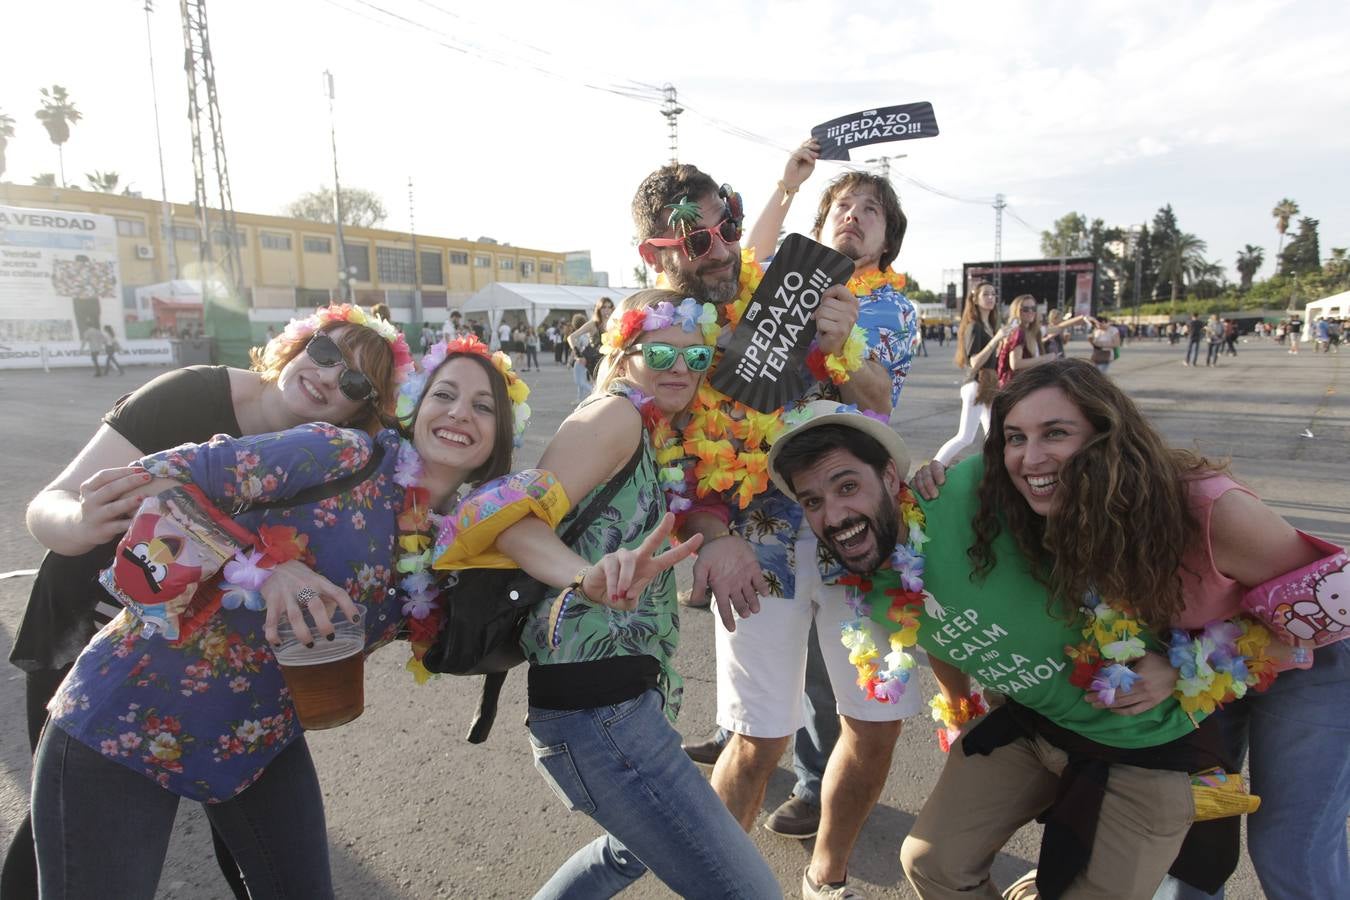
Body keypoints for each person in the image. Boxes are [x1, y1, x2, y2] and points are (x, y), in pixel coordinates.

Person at [4, 304, 409, 900]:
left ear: (362, 411)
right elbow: (52, 504)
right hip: (98, 611)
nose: (327, 376)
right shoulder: (190, 396)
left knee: (239, 802)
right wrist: (83, 522)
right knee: (73, 814)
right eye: (324, 353)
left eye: (352, 381)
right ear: (296, 345)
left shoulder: (327, 454)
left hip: (207, 646)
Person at [897, 360, 1333, 899]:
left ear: (1106, 433)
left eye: (1055, 432)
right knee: (1188, 841)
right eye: (1015, 437)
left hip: (1308, 659)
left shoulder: (1207, 509)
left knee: (1291, 848)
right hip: (1185, 673)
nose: (1031, 457)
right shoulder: (1046, 511)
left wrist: (1184, 666)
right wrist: (928, 479)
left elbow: (1331, 606)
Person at [643, 146, 921, 897]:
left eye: (871, 211)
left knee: (876, 721)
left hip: (858, 531)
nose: (723, 241)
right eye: (843, 207)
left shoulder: (886, 305)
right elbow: (673, 453)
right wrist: (713, 531)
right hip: (758, 537)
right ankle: (720, 887)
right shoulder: (699, 314)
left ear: (889, 237)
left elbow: (879, 400)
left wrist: (842, 345)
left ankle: (825, 880)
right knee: (757, 735)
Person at [489, 289, 779, 899]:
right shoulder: (615, 417)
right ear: (623, 357)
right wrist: (582, 574)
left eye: (696, 359)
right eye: (660, 354)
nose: (681, 369)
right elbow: (512, 521)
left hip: (620, 700)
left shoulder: (653, 429)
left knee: (625, 855)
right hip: (599, 710)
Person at [934, 282, 1010, 465]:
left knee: (993, 434)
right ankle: (934, 467)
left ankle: (995, 472)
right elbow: (974, 362)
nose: (991, 298)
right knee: (965, 436)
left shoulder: (989, 325)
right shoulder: (975, 326)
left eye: (993, 294)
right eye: (986, 294)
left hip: (988, 384)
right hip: (975, 384)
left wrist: (1000, 342)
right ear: (975, 299)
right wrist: (997, 339)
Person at [997, 295, 1051, 385]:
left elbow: (1058, 328)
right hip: (1015, 386)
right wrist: (1045, 359)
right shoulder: (1017, 332)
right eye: (1025, 309)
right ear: (1017, 311)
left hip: (1025, 384)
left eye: (1033, 308)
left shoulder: (1031, 332)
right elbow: (1015, 363)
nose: (1030, 312)